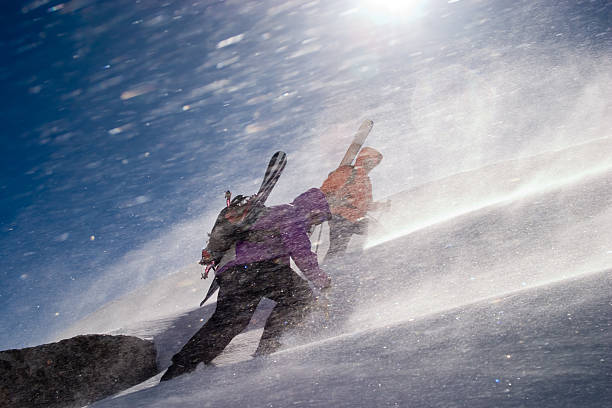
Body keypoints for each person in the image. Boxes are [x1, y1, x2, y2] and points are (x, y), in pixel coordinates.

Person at [161, 188, 332, 381]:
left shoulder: (271, 213)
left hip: (232, 271)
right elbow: (301, 253)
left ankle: (183, 367)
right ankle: (269, 349)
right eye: (319, 219)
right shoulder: (292, 214)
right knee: (301, 297)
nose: (316, 225)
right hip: (261, 268)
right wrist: (322, 281)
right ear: (314, 211)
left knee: (230, 322)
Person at [320, 147, 387, 259]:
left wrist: (381, 206)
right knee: (337, 248)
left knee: (377, 232)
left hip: (356, 218)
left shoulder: (366, 181)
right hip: (340, 217)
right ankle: (329, 269)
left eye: (374, 164)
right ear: (364, 160)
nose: (372, 166)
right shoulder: (346, 172)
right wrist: (334, 199)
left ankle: (363, 261)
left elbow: (366, 205)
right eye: (370, 162)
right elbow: (324, 191)